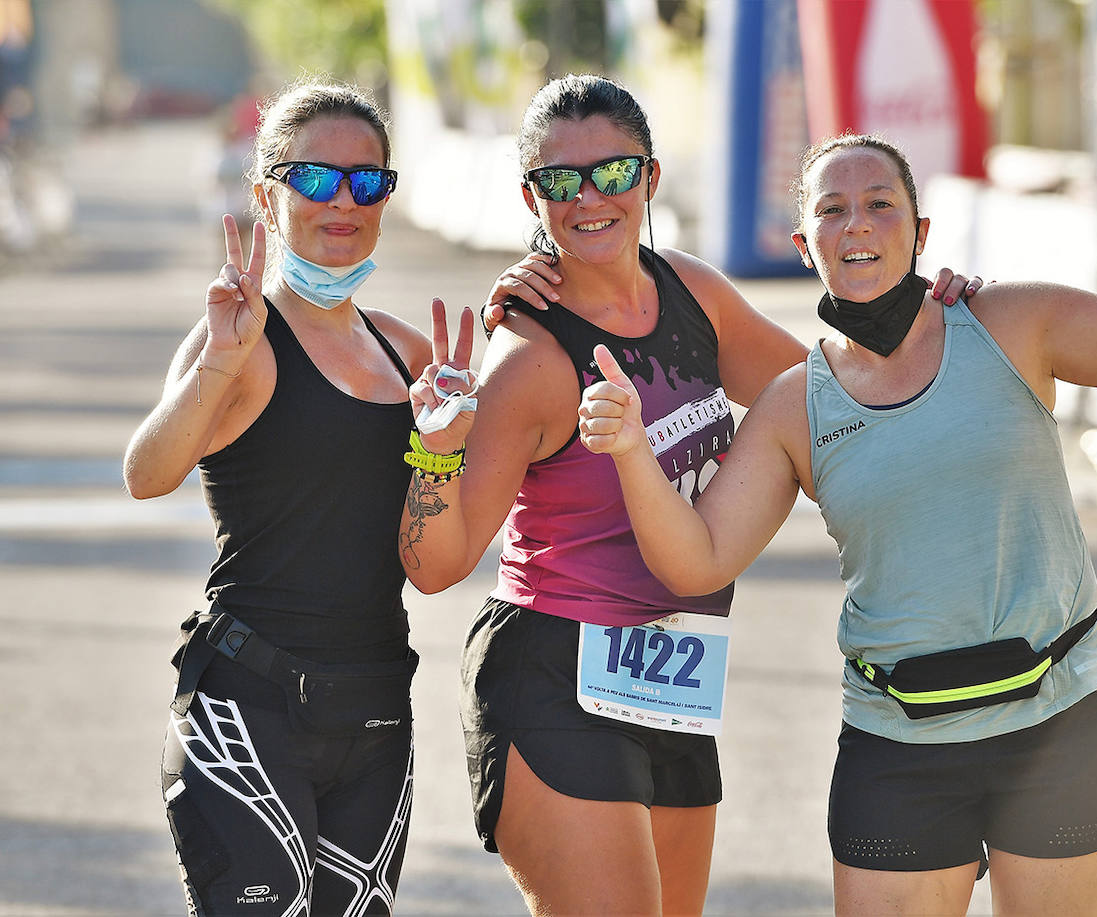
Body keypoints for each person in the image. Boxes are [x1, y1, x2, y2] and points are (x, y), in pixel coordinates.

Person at [577, 132, 1097, 915]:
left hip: (1065, 718)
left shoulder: (1011, 321)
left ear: (921, 231)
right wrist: (626, 448)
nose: (858, 223)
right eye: (833, 209)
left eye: (880, 204)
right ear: (804, 243)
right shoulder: (797, 401)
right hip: (901, 739)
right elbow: (698, 560)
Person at [401, 74, 978, 915]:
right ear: (533, 195)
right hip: (553, 675)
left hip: (673, 680)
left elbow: (835, 398)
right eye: (562, 181)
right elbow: (434, 563)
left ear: (652, 179)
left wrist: (929, 314)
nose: (590, 197)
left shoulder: (692, 293)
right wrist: (436, 448)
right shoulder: (529, 358)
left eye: (614, 171)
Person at [123, 79, 435, 915]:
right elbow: (147, 472)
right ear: (267, 194)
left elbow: (435, 555)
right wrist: (220, 362)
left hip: (376, 711)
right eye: (313, 178)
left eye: (366, 181)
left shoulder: (411, 354)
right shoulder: (240, 331)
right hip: (247, 710)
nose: (342, 200)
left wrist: (448, 445)